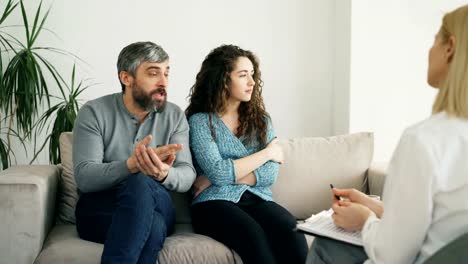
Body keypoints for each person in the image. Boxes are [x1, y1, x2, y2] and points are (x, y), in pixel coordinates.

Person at [307, 4, 468, 264]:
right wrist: (376, 209)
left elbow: (391, 255)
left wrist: (365, 220)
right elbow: (440, 225)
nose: (429, 51)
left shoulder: (424, 141)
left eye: (434, 41)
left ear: (450, 47)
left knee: (325, 246)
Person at [73, 41, 196, 263]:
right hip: (100, 208)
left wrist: (164, 173)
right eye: (153, 73)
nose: (163, 82)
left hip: (156, 200)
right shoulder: (93, 112)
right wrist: (132, 165)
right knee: (154, 226)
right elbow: (85, 177)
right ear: (126, 78)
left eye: (166, 73)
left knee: (140, 182)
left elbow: (187, 175)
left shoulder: (174, 116)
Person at [185, 44, 308, 264]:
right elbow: (219, 173)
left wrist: (217, 179)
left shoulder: (261, 121)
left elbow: (269, 175)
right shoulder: (201, 122)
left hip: (257, 198)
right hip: (212, 204)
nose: (252, 82)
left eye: (252, 74)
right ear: (223, 79)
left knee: (292, 230)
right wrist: (268, 153)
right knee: (254, 236)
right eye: (243, 75)